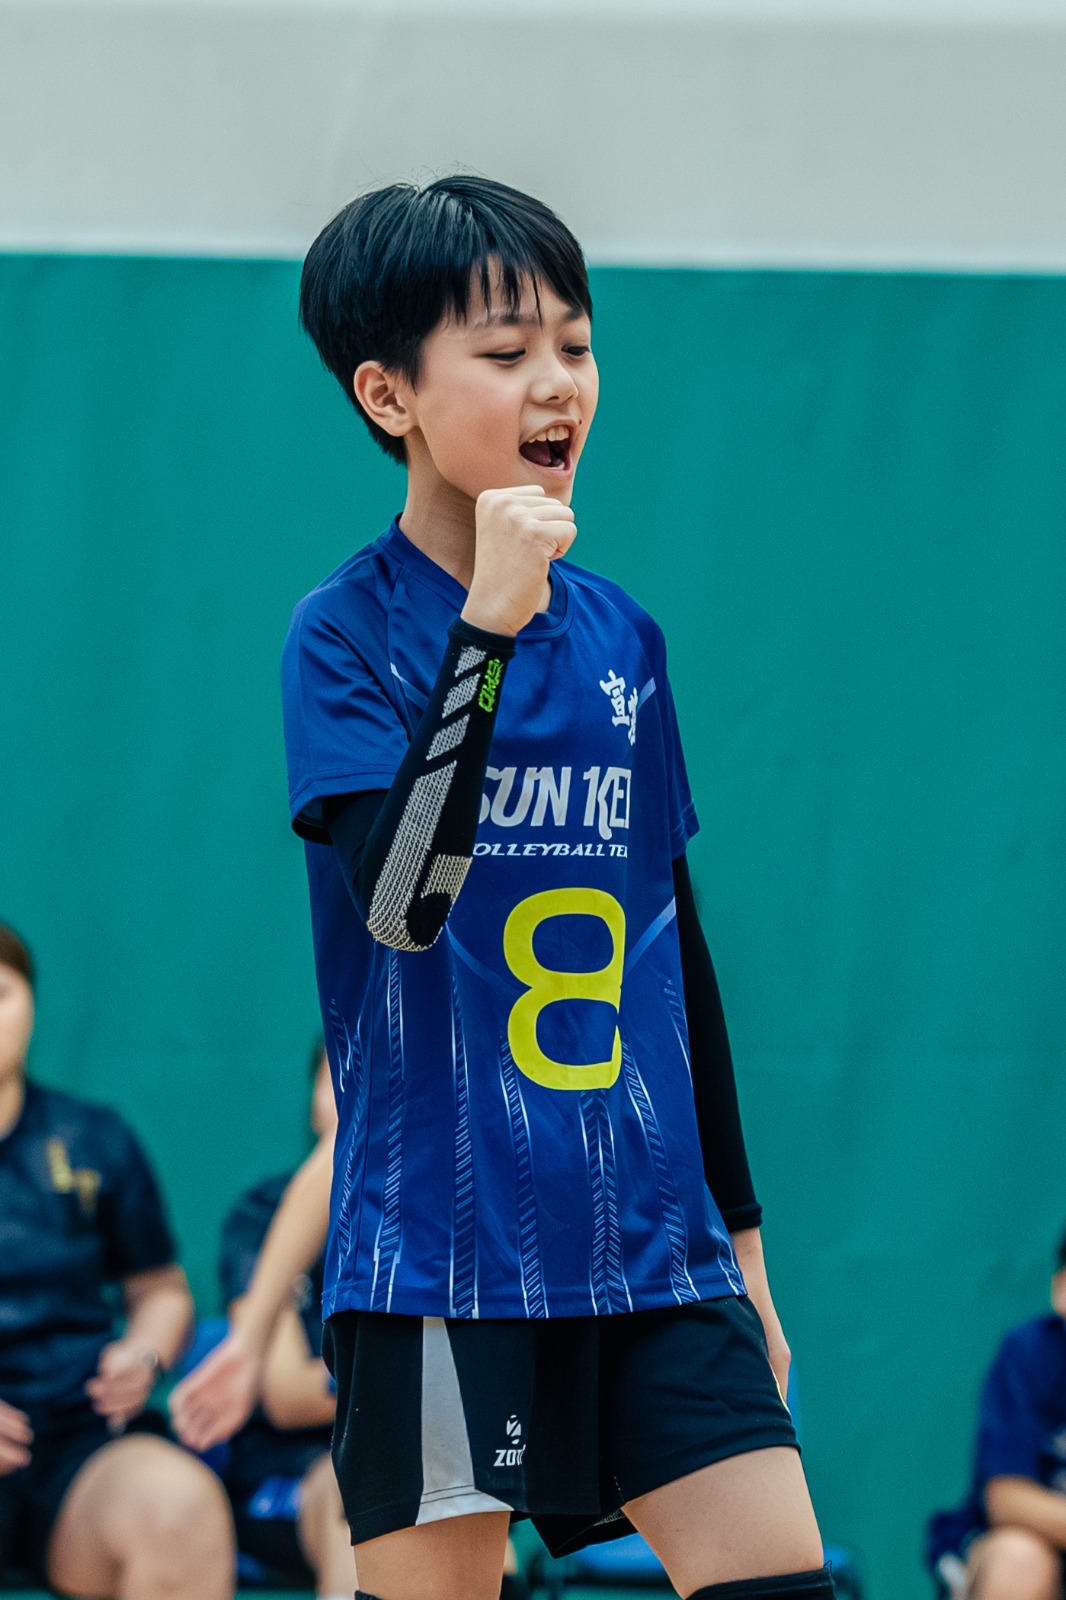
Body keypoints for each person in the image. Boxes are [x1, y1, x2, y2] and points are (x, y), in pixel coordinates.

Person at [197, 175, 830, 1600]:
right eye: (505, 351)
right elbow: (403, 902)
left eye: (575, 344)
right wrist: (485, 623)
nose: (558, 383)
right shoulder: (342, 633)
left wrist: (744, 1246)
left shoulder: (624, 637)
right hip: (441, 1259)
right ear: (389, 395)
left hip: (654, 1252)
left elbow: (676, 955)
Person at [0, 922, 235, 1599]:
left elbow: (161, 1290)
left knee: (180, 1510)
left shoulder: (91, 1138)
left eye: (1, 993)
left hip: (80, 1442)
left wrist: (145, 1352)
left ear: (31, 1003)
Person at [217, 1039, 354, 1600]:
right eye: (338, 1079)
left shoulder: (446, 1212)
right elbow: (287, 1395)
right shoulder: (263, 1214)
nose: (356, 1097)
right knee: (367, 1494)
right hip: (290, 1473)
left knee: (469, 1521)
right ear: (312, 1102)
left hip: (435, 1464)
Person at [927, 1234, 1066, 1600]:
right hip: (1016, 1543)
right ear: (1060, 1290)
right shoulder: (1030, 1353)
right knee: (1020, 1560)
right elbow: (1007, 1499)